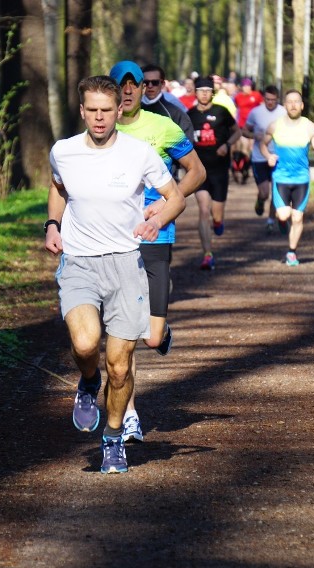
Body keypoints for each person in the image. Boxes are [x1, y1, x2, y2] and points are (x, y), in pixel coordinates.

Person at [46, 75, 185, 473]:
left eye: (107, 110)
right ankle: (88, 382)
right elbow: (58, 187)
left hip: (126, 263)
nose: (100, 118)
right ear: (82, 111)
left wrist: (158, 220)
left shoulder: (139, 153)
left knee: (121, 366)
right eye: (92, 110)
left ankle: (112, 439)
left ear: (119, 109)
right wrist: (52, 225)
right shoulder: (64, 151)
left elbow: (175, 198)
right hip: (80, 262)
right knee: (86, 344)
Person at [108, 60, 206, 442]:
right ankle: (129, 412)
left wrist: (166, 208)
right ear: (113, 89)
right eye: (123, 84)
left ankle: (161, 332)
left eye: (135, 84)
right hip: (115, 240)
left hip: (156, 237)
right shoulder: (100, 130)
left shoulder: (163, 126)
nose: (130, 89)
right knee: (123, 334)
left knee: (150, 337)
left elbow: (196, 171)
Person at [258, 89, 314, 267]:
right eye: (290, 102)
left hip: (302, 178)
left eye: (297, 102)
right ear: (285, 105)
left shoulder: (309, 126)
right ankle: (280, 220)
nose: (293, 105)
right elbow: (262, 144)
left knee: (297, 218)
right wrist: (268, 156)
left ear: (302, 106)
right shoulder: (275, 125)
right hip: (281, 178)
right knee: (284, 214)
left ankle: (292, 252)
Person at [188, 76, 241, 270]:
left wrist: (227, 145)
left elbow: (238, 132)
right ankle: (207, 254)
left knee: (216, 214)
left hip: (219, 169)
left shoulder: (222, 112)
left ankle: (218, 222)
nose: (204, 93)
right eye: (200, 90)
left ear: (213, 92)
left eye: (207, 90)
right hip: (199, 170)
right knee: (203, 209)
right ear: (195, 92)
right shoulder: (189, 115)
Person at [242, 85, 286, 233]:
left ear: (277, 99)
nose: (270, 102)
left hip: (278, 157)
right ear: (264, 98)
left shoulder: (283, 112)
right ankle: (260, 201)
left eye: (273, 100)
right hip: (259, 157)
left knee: (276, 191)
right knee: (265, 192)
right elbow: (244, 130)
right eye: (267, 99)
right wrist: (254, 136)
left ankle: (270, 220)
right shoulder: (256, 113)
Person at [140, 64, 194, 141]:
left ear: (162, 84)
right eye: (146, 82)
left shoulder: (176, 113)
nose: (150, 86)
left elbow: (187, 145)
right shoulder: (133, 110)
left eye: (155, 82)